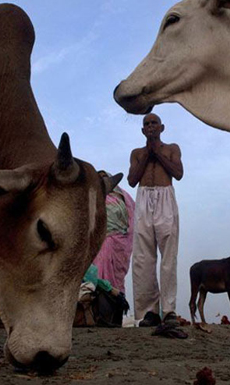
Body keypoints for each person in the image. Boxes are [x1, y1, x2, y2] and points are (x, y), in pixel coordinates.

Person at [128, 113, 184, 327]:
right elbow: (132, 180)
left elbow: (178, 173)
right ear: (143, 130)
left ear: (162, 127)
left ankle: (168, 310)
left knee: (168, 254)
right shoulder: (136, 153)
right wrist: (147, 154)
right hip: (143, 198)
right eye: (146, 124)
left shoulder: (172, 148)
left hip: (165, 198)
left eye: (154, 123)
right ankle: (149, 311)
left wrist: (157, 154)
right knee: (143, 257)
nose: (150, 126)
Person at [92, 170, 135, 294]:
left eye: (105, 177)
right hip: (102, 243)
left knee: (117, 279)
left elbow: (133, 219)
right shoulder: (93, 198)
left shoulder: (124, 198)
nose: (103, 180)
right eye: (99, 178)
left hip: (120, 244)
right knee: (100, 270)